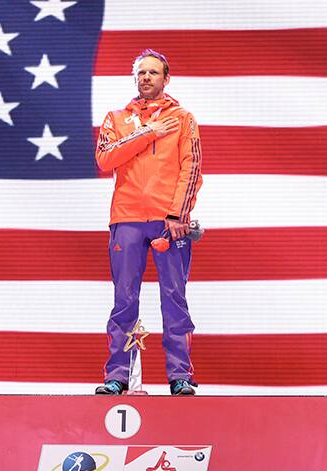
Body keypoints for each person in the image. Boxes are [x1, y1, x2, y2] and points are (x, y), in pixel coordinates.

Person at [94, 49, 202, 396]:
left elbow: (192, 168)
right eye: (141, 73)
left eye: (153, 73)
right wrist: (148, 132)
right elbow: (105, 158)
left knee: (174, 297)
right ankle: (117, 376)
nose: (146, 78)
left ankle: (180, 375)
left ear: (166, 78)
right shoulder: (117, 117)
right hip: (126, 218)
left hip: (168, 221)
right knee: (124, 299)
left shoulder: (183, 118)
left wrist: (177, 214)